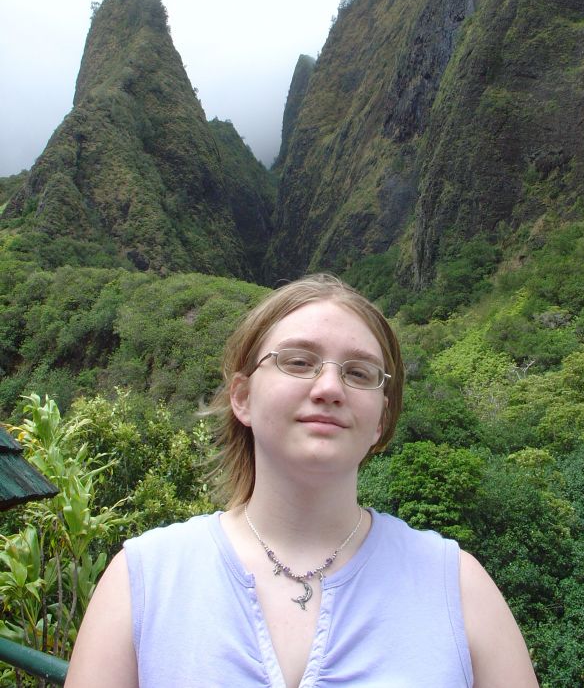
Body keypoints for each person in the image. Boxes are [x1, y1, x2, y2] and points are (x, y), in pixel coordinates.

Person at [66, 274, 539, 687]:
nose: (330, 388)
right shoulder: (144, 580)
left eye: (359, 373)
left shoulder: (457, 586)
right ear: (242, 397)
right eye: (297, 362)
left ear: (381, 419)